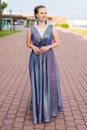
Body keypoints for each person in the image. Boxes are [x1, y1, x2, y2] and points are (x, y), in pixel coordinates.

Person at [26, 5, 63, 124]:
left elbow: (57, 42)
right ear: (36, 15)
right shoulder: (31, 28)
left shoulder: (51, 27)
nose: (44, 15)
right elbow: (27, 43)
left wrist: (48, 46)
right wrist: (33, 46)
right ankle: (38, 107)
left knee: (50, 82)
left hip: (49, 58)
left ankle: (49, 109)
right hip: (36, 59)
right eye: (41, 13)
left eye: (45, 13)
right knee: (37, 82)